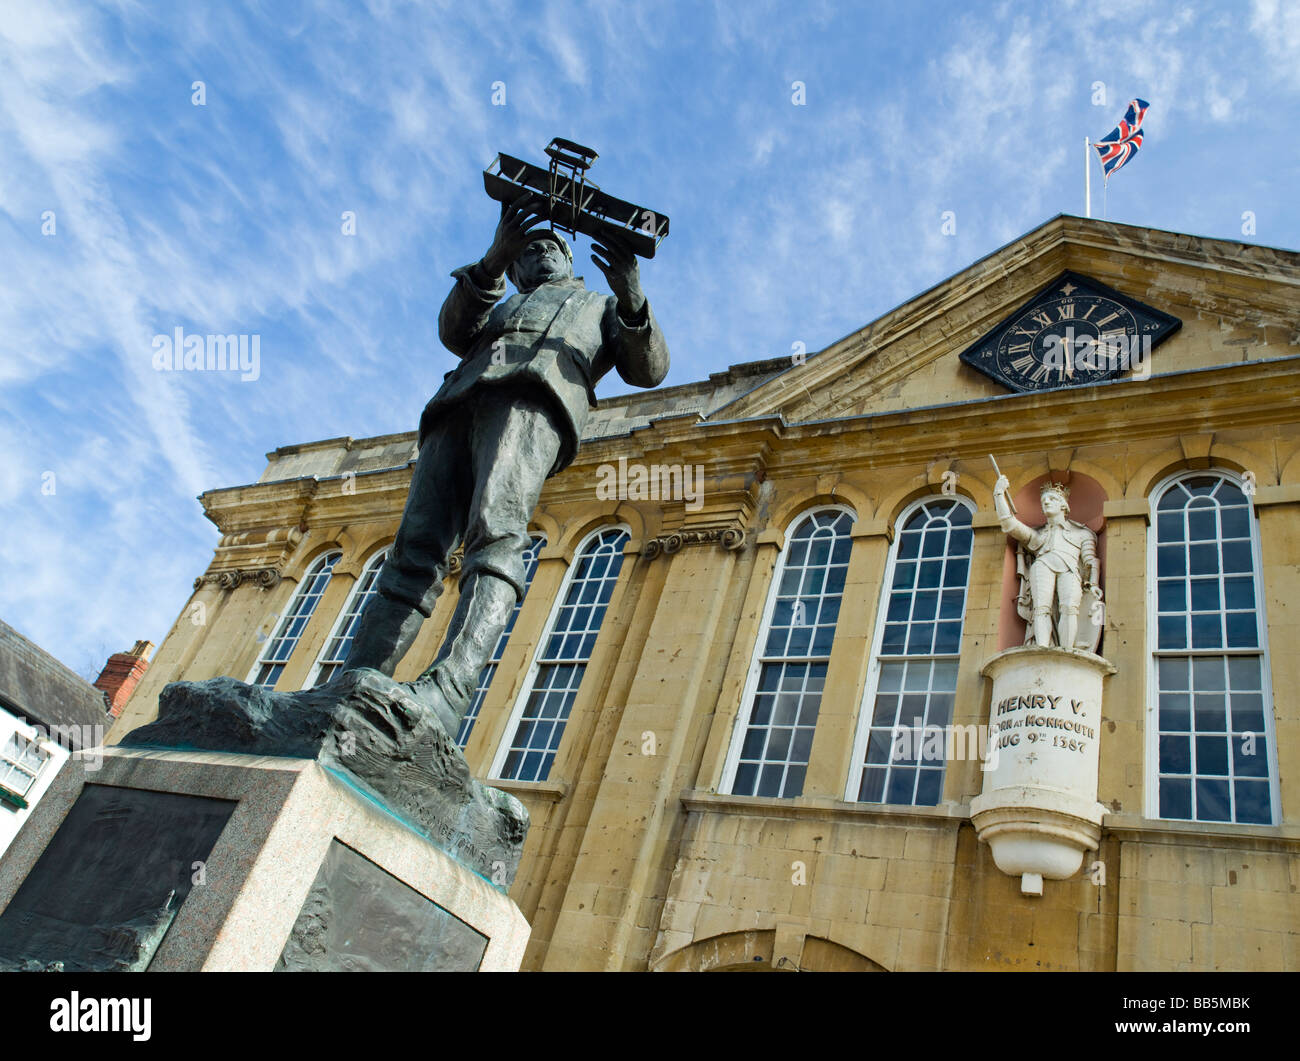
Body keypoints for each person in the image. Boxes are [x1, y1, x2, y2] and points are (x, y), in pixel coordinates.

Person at [340, 194, 669, 732]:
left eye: (550, 247)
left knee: (496, 536)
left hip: (531, 404)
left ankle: (448, 689)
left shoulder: (598, 307)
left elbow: (648, 369)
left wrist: (632, 297)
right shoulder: (497, 303)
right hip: (456, 407)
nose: (538, 256)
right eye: (525, 253)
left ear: (568, 259)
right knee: (415, 548)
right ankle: (354, 679)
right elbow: (453, 332)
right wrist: (492, 260)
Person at [992, 477, 1101, 650]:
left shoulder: (1082, 533)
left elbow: (1090, 561)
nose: (1047, 502)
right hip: (1042, 566)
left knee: (1069, 608)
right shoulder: (1038, 535)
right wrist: (999, 494)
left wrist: (1094, 583)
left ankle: (1067, 649)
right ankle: (1042, 649)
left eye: (1052, 499)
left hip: (1070, 569)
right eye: (1043, 500)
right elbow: (1009, 524)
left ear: (1064, 505)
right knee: (1041, 608)